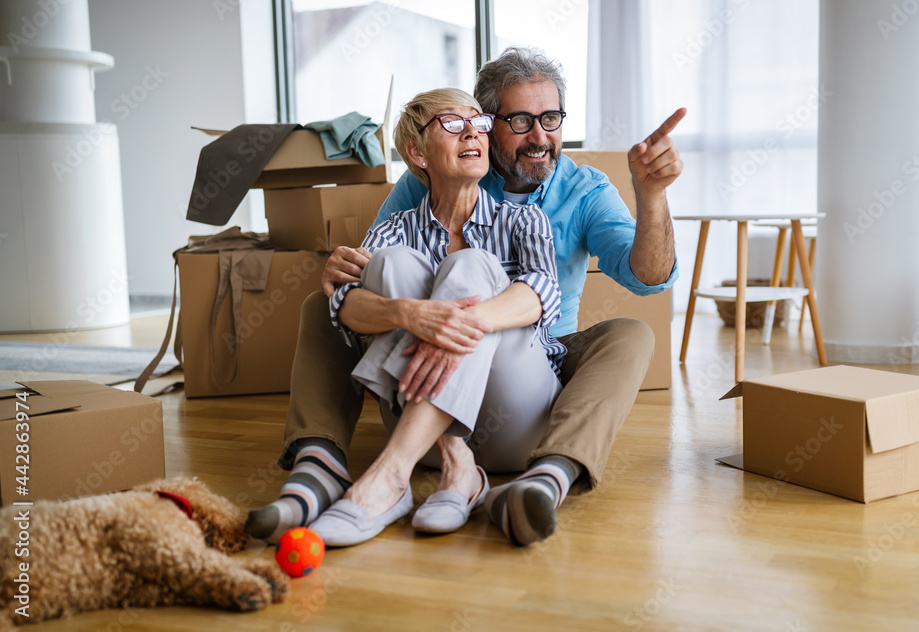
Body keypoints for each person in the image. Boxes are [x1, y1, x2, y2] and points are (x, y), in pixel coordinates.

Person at [246, 46, 683, 547]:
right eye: (519, 120)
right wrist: (392, 302)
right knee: (325, 305)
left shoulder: (576, 193)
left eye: (551, 118)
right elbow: (369, 274)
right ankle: (319, 463)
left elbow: (648, 278)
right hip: (421, 379)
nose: (540, 136)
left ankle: (546, 474)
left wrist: (651, 196)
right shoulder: (431, 180)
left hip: (533, 364)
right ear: (489, 123)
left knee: (629, 332)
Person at [300, 87, 565, 546]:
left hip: (514, 418)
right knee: (390, 265)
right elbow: (344, 306)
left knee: (471, 265)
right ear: (416, 153)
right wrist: (411, 313)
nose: (473, 133)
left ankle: (388, 477)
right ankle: (458, 465)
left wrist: (463, 321)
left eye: (479, 123)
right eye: (452, 123)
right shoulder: (392, 229)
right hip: (420, 430)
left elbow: (542, 294)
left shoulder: (524, 221)